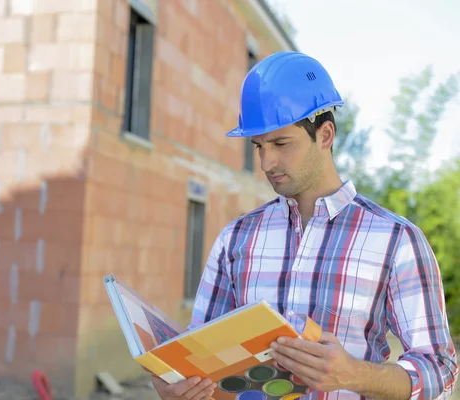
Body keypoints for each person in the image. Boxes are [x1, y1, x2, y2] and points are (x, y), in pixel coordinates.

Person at [149, 51, 458, 400]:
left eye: (281, 143)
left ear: (325, 135)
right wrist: (181, 387)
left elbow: (440, 371)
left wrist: (355, 375)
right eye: (259, 146)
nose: (267, 162)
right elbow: (200, 361)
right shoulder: (235, 240)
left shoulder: (396, 241)